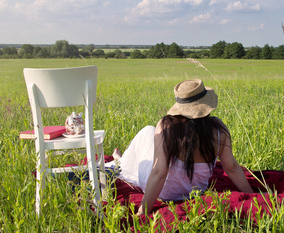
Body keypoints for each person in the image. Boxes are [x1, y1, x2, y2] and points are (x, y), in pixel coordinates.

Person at [106, 79, 253, 215]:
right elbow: (232, 167)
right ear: (206, 104)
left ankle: (121, 162)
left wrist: (142, 211)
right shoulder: (219, 130)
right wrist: (253, 195)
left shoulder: (167, 126)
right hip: (196, 191)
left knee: (147, 132)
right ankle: (122, 160)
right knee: (149, 138)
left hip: (164, 192)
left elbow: (159, 172)